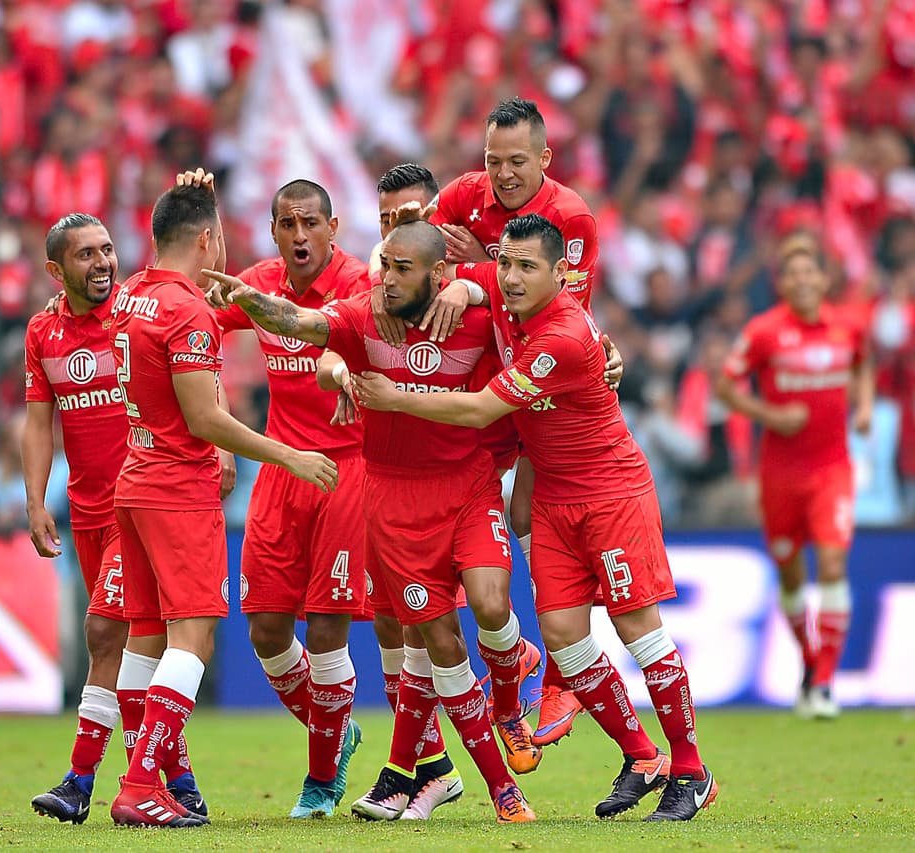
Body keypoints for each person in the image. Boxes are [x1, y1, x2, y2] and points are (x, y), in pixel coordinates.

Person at [354, 214, 717, 822]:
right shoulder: (499, 297)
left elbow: (477, 410)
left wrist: (392, 397)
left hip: (610, 492)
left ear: (563, 273)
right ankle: (642, 755)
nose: (513, 278)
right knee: (564, 641)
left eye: (528, 268)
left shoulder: (565, 337)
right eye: (507, 265)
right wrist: (456, 285)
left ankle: (690, 768)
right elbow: (394, 265)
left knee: (640, 632)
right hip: (550, 497)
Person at [203, 220, 539, 824]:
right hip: (391, 500)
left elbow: (533, 306)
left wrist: (604, 351)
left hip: (468, 488)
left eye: (402, 268)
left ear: (440, 275)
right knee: (436, 641)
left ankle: (509, 682)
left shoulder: (476, 314)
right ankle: (500, 788)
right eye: (385, 264)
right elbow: (306, 330)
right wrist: (253, 303)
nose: (386, 278)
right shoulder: (363, 313)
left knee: (490, 607)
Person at [108, 175, 338, 828]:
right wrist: (286, 453)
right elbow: (205, 420)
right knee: (193, 637)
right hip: (179, 489)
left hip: (136, 477)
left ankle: (152, 780)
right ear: (207, 240)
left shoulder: (131, 297)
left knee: (146, 637)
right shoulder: (187, 312)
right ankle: (139, 782)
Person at [376, 99, 601, 746]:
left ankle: (560, 672)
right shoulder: (462, 195)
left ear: (545, 159)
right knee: (451, 544)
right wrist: (385, 280)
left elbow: (555, 307)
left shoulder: (571, 216)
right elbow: (406, 254)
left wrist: (474, 275)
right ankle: (515, 665)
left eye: (517, 162)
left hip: (546, 389)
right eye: (492, 160)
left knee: (537, 518)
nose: (501, 174)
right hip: (488, 381)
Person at [22, 213, 211, 825]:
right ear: (57, 270)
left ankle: (87, 780)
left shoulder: (135, 313)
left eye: (107, 250)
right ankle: (173, 781)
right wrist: (35, 499)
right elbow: (37, 423)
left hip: (144, 498)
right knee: (126, 639)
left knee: (112, 635)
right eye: (86, 255)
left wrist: (225, 446)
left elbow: (197, 368)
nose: (103, 263)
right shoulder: (42, 332)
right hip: (88, 507)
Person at [211, 179, 371, 818]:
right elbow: (194, 322)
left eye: (310, 224)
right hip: (280, 470)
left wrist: (341, 374)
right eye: (287, 224)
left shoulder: (360, 283)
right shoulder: (260, 282)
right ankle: (338, 731)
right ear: (274, 231)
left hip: (345, 470)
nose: (299, 235)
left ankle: (321, 777)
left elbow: (345, 351)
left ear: (333, 228)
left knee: (327, 628)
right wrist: (218, 425)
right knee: (267, 630)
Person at [715, 235, 872, 719]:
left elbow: (863, 366)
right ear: (781, 283)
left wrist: (863, 406)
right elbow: (725, 385)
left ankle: (823, 683)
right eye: (793, 273)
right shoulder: (764, 332)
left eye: (811, 272)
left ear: (825, 279)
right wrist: (769, 414)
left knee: (831, 566)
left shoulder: (847, 327)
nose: (803, 280)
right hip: (780, 474)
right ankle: (809, 664)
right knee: (790, 575)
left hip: (832, 471)